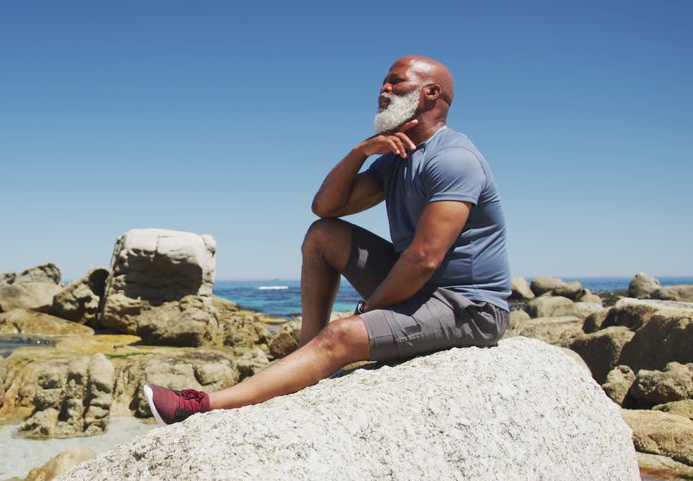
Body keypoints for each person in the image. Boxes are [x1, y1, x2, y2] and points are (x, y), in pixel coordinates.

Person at [144, 55, 511, 426]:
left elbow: (423, 259)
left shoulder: (454, 158)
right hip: (421, 291)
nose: (383, 89)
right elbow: (325, 207)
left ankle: (203, 406)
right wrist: (360, 152)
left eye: (395, 82)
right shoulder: (397, 158)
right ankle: (307, 354)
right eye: (383, 83)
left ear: (431, 93)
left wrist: (369, 310)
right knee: (323, 236)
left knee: (342, 335)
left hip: (469, 307)